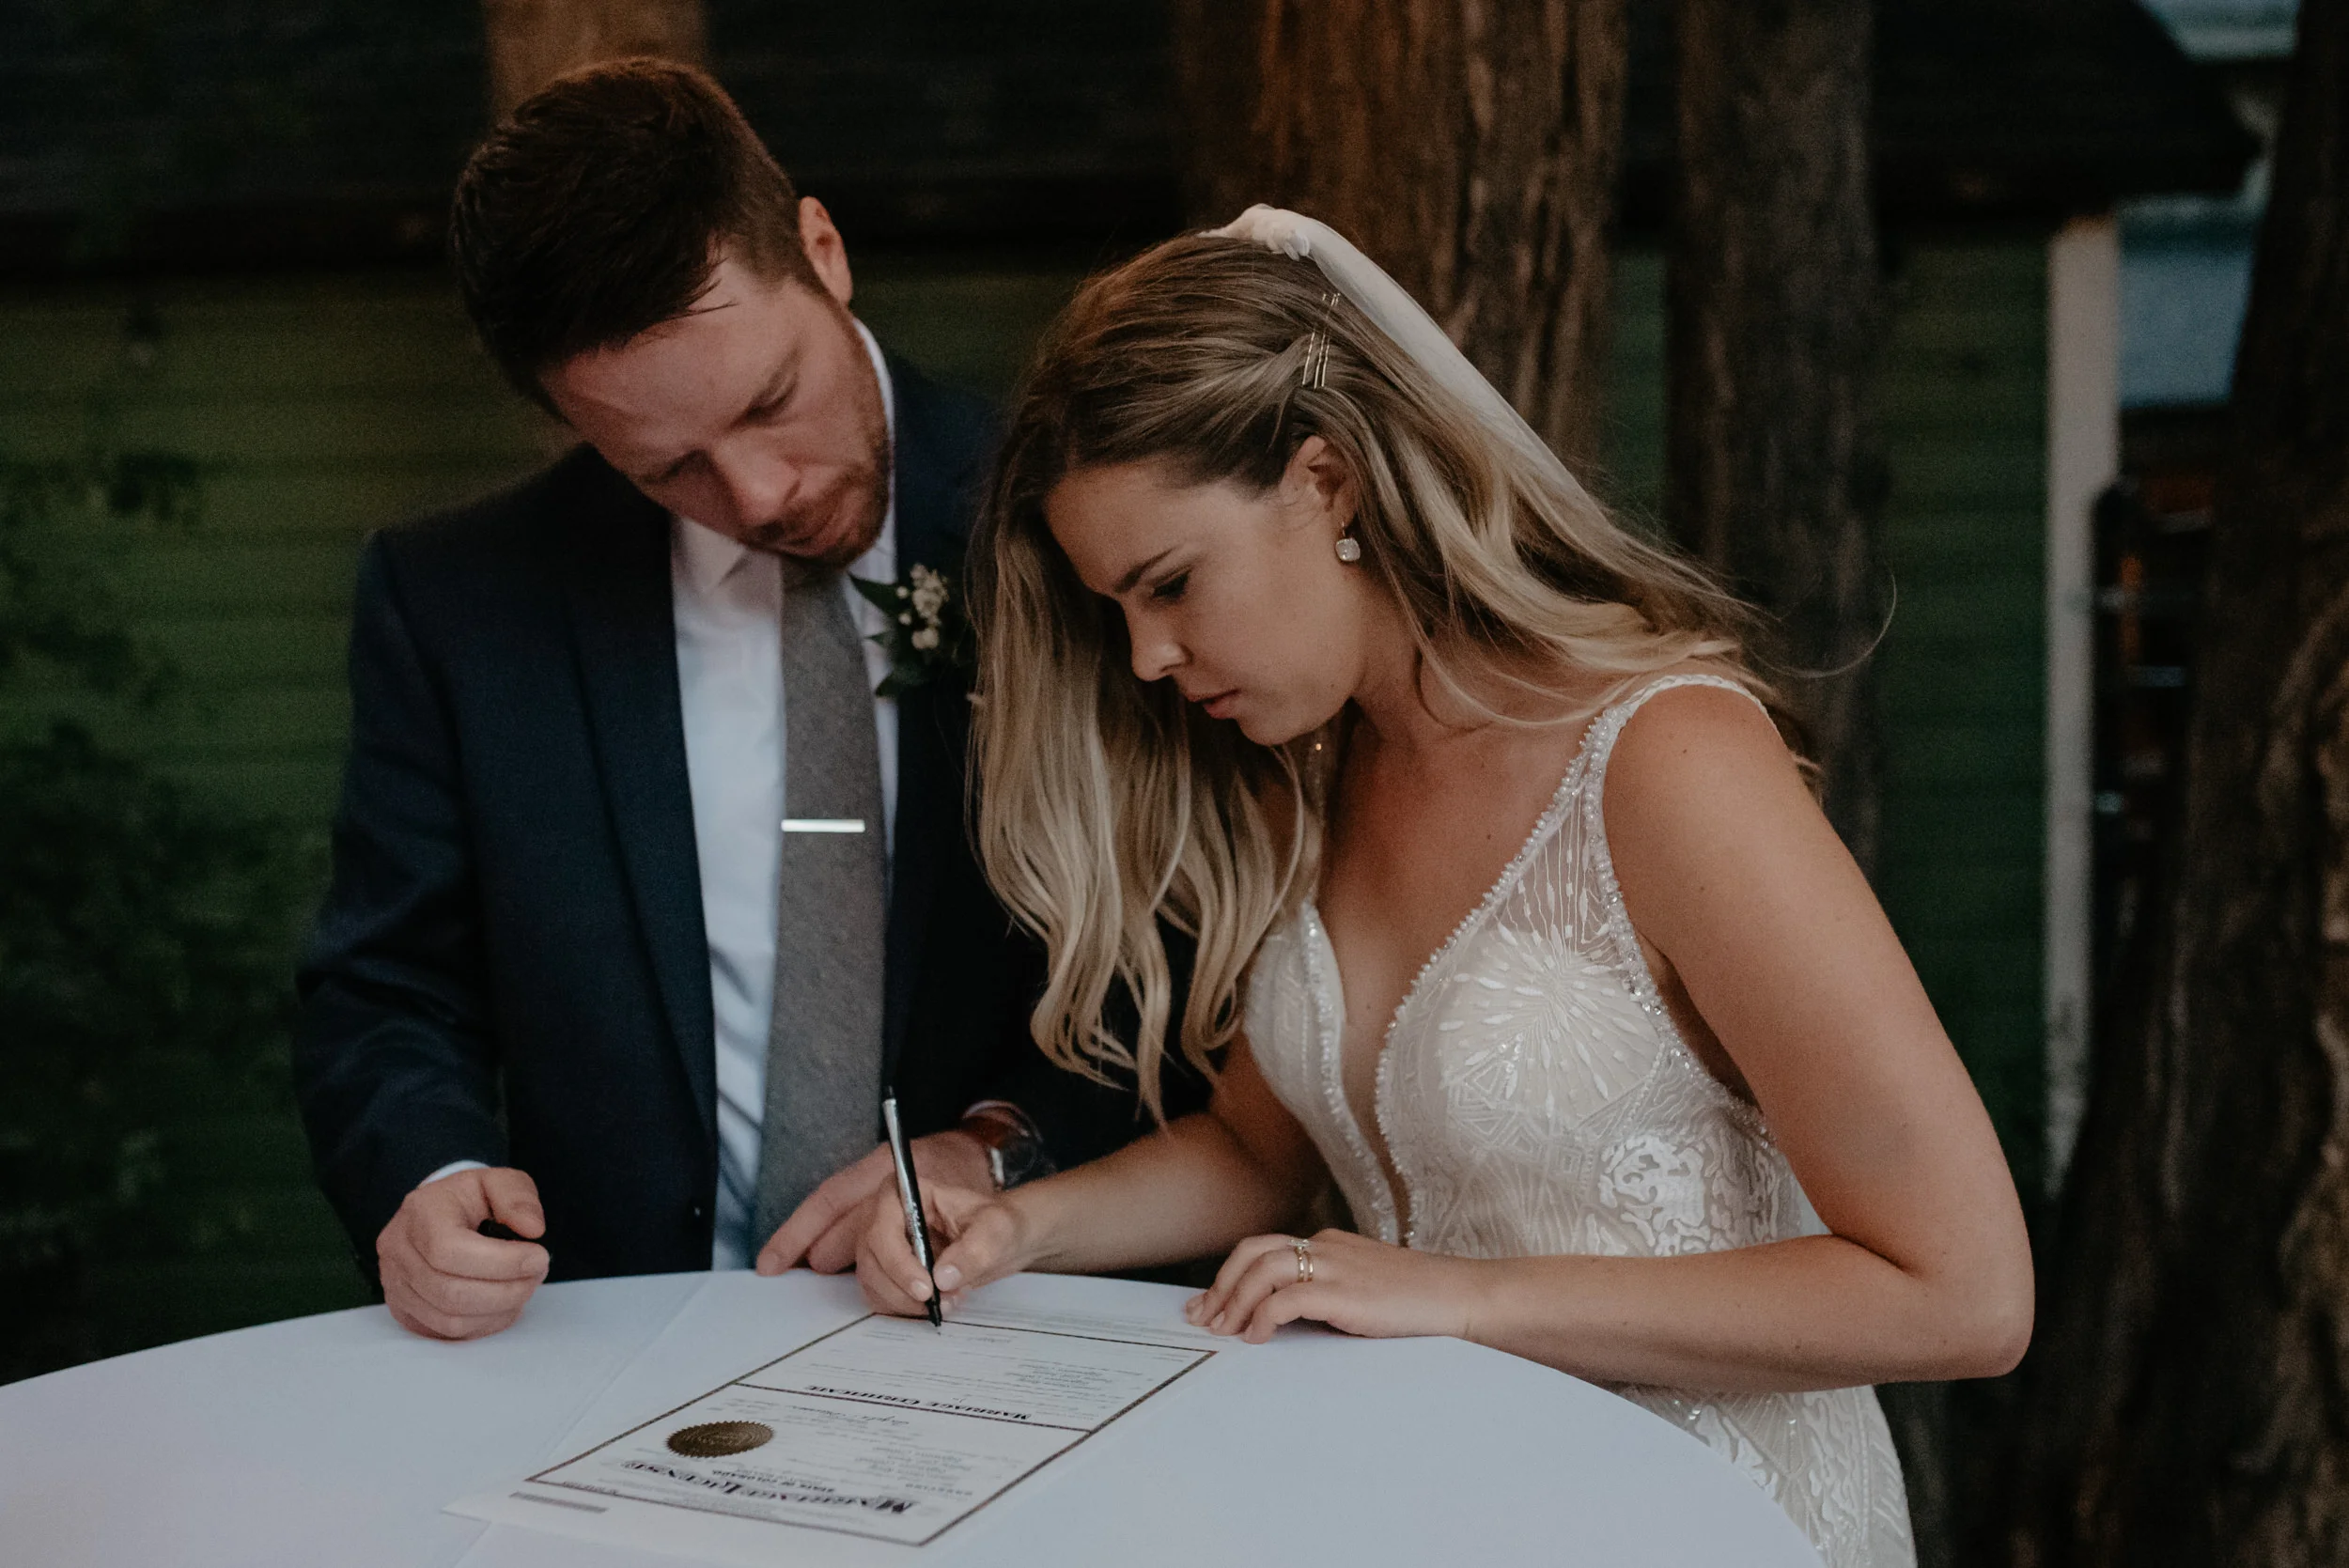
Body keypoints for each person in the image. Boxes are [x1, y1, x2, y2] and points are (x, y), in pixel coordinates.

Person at [850, 209, 2034, 1567]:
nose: (1148, 658)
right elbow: (1257, 1151)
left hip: (1705, 1519)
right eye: (1119, 608)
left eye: (1170, 585)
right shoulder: (1314, 774)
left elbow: (1963, 1293)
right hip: (1436, 1509)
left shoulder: (1668, 764)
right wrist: (1019, 1222)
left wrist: (1459, 1299)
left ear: (1331, 483)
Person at [291, 58, 1202, 1344]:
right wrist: (430, 1179)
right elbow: (385, 992)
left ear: (822, 251)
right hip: (613, 1354)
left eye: (771, 400)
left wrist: (998, 1144)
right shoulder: (461, 607)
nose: (762, 495)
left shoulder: (1072, 524)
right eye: (669, 466)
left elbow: (1190, 953)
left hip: (1033, 1324)